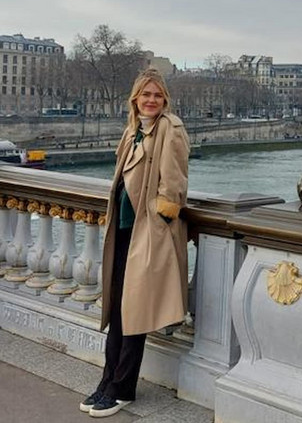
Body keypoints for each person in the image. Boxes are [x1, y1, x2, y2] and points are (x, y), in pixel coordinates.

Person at [80, 68, 190, 418]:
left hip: (147, 233)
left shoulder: (169, 129)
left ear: (165, 99)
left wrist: (161, 219)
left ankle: (122, 387)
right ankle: (107, 380)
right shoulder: (133, 132)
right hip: (124, 231)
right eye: (146, 95)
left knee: (135, 313)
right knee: (116, 311)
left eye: (157, 95)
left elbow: (174, 184)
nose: (152, 100)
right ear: (136, 99)